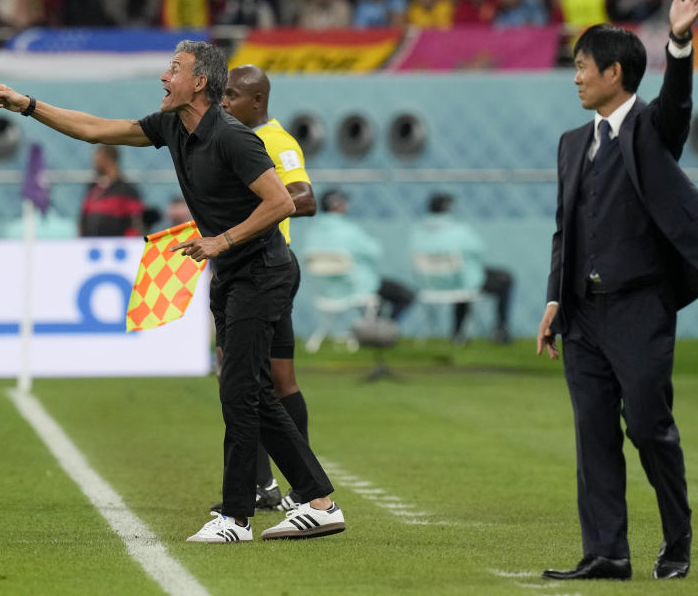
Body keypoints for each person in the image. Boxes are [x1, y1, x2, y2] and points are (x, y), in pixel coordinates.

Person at [0, 39, 345, 544]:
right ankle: (317, 501)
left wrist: (222, 239)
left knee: (241, 391)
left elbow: (283, 202)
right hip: (235, 272)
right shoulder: (173, 126)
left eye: (174, 68)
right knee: (250, 391)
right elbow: (95, 130)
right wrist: (30, 106)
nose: (162, 77)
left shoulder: (235, 138)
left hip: (263, 270)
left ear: (200, 83)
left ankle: (237, 517)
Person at [536, 0, 698, 581]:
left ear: (614, 73)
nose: (575, 78)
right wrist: (555, 299)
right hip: (584, 315)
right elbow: (565, 229)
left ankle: (677, 540)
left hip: (640, 309)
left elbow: (678, 102)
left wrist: (679, 40)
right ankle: (606, 553)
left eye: (583, 68)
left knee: (650, 428)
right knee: (594, 436)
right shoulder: (570, 143)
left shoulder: (651, 131)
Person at [220, 63, 317, 510]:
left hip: (267, 271)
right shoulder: (235, 139)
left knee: (254, 381)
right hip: (248, 267)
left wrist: (249, 220)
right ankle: (274, 486)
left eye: (232, 95)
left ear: (257, 100)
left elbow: (305, 198)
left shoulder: (276, 141)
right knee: (268, 379)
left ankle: (281, 486)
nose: (224, 102)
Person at [409, 192, 514, 343]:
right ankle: (500, 329)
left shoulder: (417, 232)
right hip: (459, 282)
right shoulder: (459, 231)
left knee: (461, 279)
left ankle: (458, 331)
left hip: (428, 285)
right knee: (504, 279)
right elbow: (478, 249)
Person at [304, 188, 415, 322]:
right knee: (405, 295)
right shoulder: (348, 230)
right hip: (356, 287)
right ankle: (385, 328)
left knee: (379, 297)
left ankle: (372, 326)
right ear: (337, 205)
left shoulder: (312, 232)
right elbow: (375, 252)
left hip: (325, 292)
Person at [79, 145, 145, 237]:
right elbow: (83, 218)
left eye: (97, 159)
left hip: (119, 247)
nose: (93, 163)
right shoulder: (92, 188)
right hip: (92, 246)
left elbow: (136, 223)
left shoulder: (127, 190)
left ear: (109, 160)